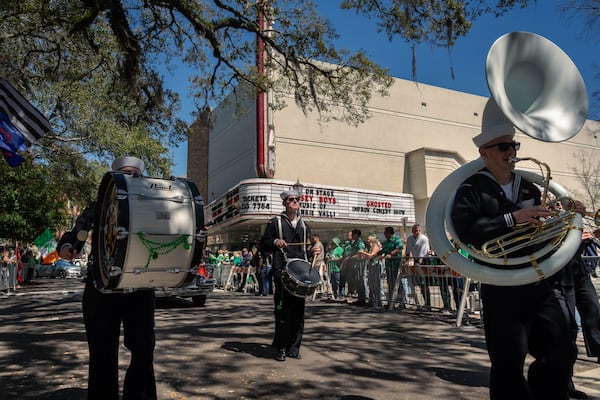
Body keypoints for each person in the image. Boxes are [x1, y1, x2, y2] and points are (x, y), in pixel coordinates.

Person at [450, 98, 578, 400]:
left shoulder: (529, 187)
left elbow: (542, 234)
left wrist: (564, 214)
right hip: (502, 284)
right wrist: (512, 218)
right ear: (484, 153)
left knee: (562, 351)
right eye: (504, 147)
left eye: (514, 146)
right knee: (508, 363)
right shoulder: (470, 188)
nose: (512, 153)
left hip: (537, 280)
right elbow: (467, 232)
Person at [58, 156, 157, 400]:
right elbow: (76, 232)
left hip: (139, 287)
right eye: (124, 173)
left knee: (143, 350)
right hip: (100, 288)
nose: (129, 178)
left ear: (142, 177)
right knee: (102, 352)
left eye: (134, 174)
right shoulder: (99, 206)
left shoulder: (152, 205)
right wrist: (67, 246)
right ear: (113, 177)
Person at [260, 189, 319, 361]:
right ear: (285, 203)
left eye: (297, 199)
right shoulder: (275, 223)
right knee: (282, 312)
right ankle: (280, 348)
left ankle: (294, 347)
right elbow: (263, 244)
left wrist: (314, 249)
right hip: (283, 272)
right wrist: (274, 242)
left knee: (298, 313)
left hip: (301, 275)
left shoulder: (304, 225)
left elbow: (307, 249)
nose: (294, 201)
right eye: (291, 199)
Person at [405, 224, 431, 308]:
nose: (417, 232)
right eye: (415, 230)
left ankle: (428, 304)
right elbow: (408, 251)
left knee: (425, 284)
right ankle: (422, 303)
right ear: (412, 231)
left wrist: (419, 263)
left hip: (424, 261)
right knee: (419, 284)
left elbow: (423, 253)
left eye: (419, 230)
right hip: (416, 260)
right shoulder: (409, 239)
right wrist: (406, 261)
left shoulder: (424, 239)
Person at [379, 227, 404, 309]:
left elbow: (399, 248)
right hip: (389, 267)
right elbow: (383, 250)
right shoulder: (386, 242)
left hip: (396, 265)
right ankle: (391, 302)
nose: (384, 234)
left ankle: (401, 303)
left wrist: (391, 254)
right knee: (390, 284)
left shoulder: (397, 239)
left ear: (390, 232)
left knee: (398, 285)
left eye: (385, 232)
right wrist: (375, 255)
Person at [359, 233, 383, 308]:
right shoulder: (370, 247)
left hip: (376, 265)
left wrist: (362, 252)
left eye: (369, 239)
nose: (367, 240)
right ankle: (372, 300)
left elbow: (372, 255)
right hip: (371, 266)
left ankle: (377, 301)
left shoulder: (376, 246)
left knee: (376, 283)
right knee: (371, 283)